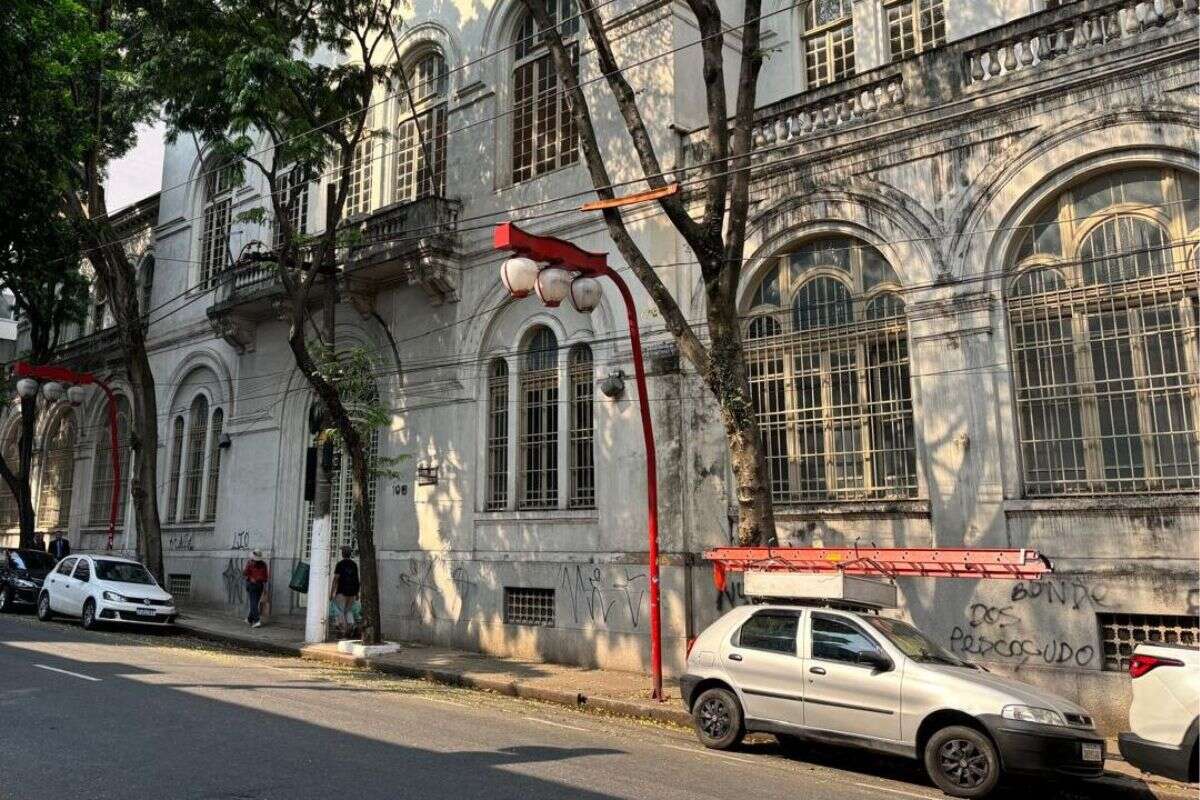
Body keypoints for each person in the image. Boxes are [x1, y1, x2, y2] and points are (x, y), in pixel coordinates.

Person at [330, 546, 359, 638]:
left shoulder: (340, 564)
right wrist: (357, 593)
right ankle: (351, 627)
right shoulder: (354, 564)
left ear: (343, 554)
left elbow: (336, 579)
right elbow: (356, 579)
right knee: (349, 610)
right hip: (352, 592)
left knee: (340, 611)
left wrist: (332, 592)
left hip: (342, 592)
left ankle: (344, 631)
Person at [242, 550, 269, 628]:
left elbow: (244, 573)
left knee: (253, 603)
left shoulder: (250, 563)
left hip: (252, 585)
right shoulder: (264, 564)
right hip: (260, 586)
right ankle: (250, 619)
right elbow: (265, 578)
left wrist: (252, 578)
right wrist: (259, 579)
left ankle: (257, 620)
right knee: (255, 603)